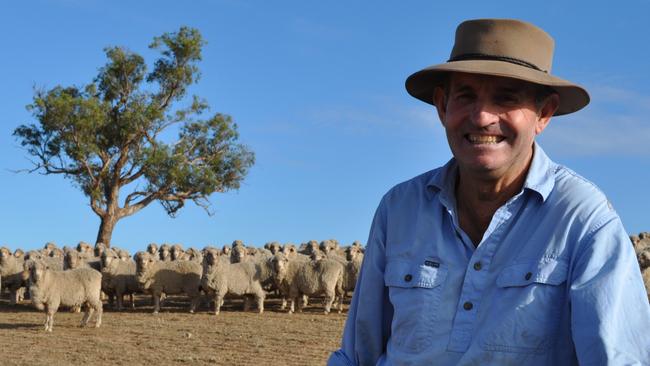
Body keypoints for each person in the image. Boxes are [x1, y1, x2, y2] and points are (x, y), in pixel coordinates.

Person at [328, 18, 650, 365]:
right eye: (465, 96)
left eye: (505, 98)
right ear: (442, 106)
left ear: (544, 113)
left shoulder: (583, 219)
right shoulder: (400, 208)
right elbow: (358, 354)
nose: (482, 117)